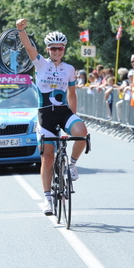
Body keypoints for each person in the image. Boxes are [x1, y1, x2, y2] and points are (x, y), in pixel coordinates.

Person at [16, 18, 88, 216]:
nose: (57, 51)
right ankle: (47, 199)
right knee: (47, 158)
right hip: (45, 114)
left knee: (82, 133)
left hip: (64, 112)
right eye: (53, 48)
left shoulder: (69, 69)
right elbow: (28, 46)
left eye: (61, 48)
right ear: (48, 49)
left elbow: (72, 95)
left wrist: (73, 119)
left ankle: (72, 164)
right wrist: (20, 30)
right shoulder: (40, 64)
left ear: (64, 49)